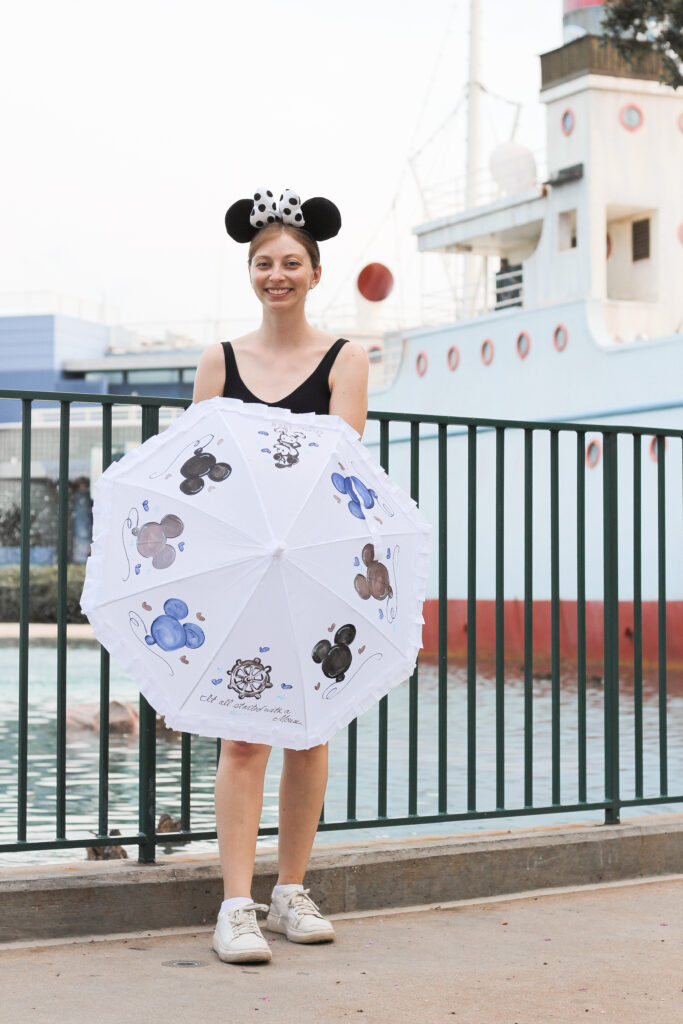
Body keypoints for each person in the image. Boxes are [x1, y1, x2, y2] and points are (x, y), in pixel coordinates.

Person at [192, 188, 369, 965]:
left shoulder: (346, 359)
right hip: (239, 566)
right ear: (250, 273)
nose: (277, 274)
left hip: (312, 563)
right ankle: (234, 905)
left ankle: (290, 889)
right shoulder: (219, 360)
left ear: (315, 271)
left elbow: (343, 467)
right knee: (241, 738)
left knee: (308, 733)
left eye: (291, 262)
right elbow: (194, 470)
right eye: (264, 263)